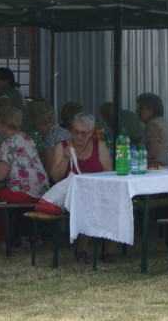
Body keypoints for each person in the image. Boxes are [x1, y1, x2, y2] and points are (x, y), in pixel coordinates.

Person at [48, 112, 117, 263]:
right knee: (90, 202)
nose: (78, 136)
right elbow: (56, 177)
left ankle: (109, 251)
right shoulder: (63, 146)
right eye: (75, 132)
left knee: (118, 202)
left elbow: (108, 171)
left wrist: (90, 178)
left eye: (83, 133)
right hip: (71, 194)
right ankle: (81, 249)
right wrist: (66, 158)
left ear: (91, 133)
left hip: (97, 190)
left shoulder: (99, 146)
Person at [0, 107, 49, 203]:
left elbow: (0, 176)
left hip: (25, 191)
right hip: (42, 190)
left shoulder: (8, 142)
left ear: (6, 125)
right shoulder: (27, 138)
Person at [28, 101, 71, 179]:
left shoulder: (50, 137)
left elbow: (49, 171)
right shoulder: (66, 132)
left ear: (40, 124)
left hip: (59, 181)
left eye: (35, 124)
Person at [135, 92, 168, 165]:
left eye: (141, 108)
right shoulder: (161, 122)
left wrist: (131, 159)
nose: (137, 111)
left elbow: (152, 153)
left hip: (160, 170)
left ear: (151, 110)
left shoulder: (153, 125)